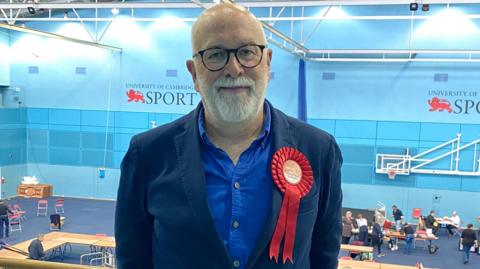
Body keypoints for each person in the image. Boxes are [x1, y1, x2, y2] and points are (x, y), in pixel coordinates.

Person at [114, 3, 343, 269]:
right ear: (194, 73)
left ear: (267, 64)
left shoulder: (318, 150)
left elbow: (324, 259)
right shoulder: (147, 154)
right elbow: (132, 260)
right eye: (215, 55)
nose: (234, 69)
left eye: (247, 52)